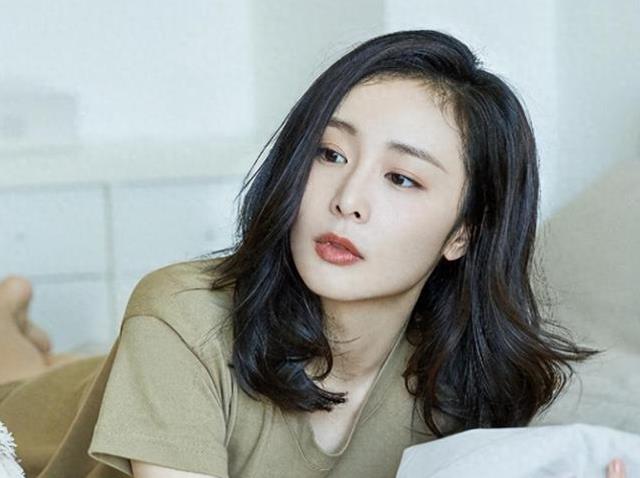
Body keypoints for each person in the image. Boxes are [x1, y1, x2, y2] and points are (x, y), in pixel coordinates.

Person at [0, 29, 628, 478]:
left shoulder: (467, 384)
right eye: (330, 154)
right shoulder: (181, 311)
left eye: (401, 178)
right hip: (30, 428)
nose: (347, 199)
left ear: (463, 233)